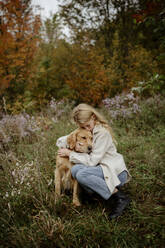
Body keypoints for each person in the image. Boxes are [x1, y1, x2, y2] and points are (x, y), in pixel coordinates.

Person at [57, 103, 131, 219]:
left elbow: (92, 162)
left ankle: (119, 198)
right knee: (75, 169)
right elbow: (64, 139)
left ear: (93, 117)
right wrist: (69, 145)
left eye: (87, 126)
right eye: (83, 127)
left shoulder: (102, 134)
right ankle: (97, 196)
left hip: (115, 174)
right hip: (100, 170)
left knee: (81, 174)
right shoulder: (89, 129)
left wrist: (71, 154)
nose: (86, 129)